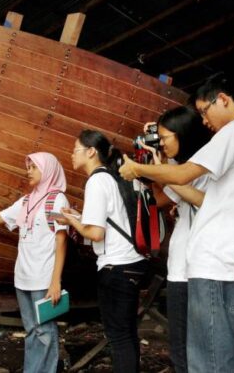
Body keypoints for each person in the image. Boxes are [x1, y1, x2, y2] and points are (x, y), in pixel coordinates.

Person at [119, 73, 234, 373]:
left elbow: (183, 180)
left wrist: (139, 167)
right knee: (225, 352)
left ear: (222, 99)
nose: (205, 121)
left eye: (204, 112)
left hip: (213, 260)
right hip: (222, 260)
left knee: (209, 359)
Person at [0, 152, 68, 373]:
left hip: (43, 279)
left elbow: (61, 242)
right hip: (22, 277)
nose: (28, 170)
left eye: (34, 167)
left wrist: (55, 282)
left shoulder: (56, 199)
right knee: (32, 330)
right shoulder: (27, 201)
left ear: (48, 170)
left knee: (45, 331)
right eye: (28, 166)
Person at [57, 130, 148, 373]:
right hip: (132, 261)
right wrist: (77, 218)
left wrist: (70, 221)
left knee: (118, 336)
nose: (72, 154)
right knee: (127, 333)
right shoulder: (113, 177)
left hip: (116, 266)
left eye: (75, 149)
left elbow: (96, 233)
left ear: (90, 152)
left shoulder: (96, 181)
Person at [138, 106, 209, 373]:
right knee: (180, 344)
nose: (163, 144)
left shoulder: (200, 169)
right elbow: (161, 198)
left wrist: (156, 167)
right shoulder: (182, 169)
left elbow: (169, 194)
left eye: (166, 137)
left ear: (184, 134)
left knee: (196, 346)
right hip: (181, 269)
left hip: (198, 269)